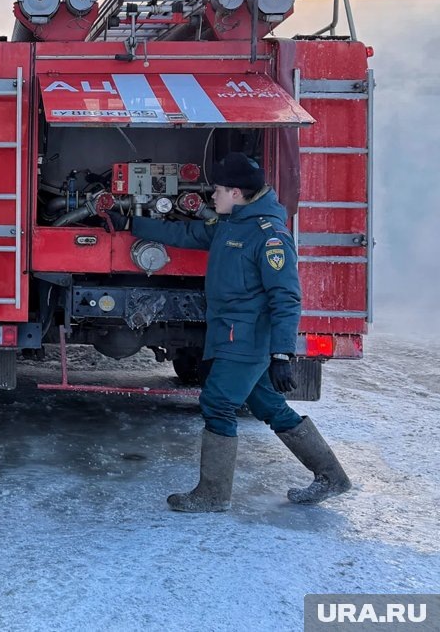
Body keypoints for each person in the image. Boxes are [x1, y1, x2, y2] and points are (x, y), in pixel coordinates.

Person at [123, 152, 352, 513]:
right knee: (269, 406)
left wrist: (281, 354)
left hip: (246, 339)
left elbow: (286, 297)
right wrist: (133, 225)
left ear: (237, 192)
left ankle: (212, 495)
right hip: (231, 333)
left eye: (218, 190)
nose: (212, 195)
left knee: (217, 403)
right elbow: (189, 232)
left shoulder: (270, 236)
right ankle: (331, 476)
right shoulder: (232, 222)